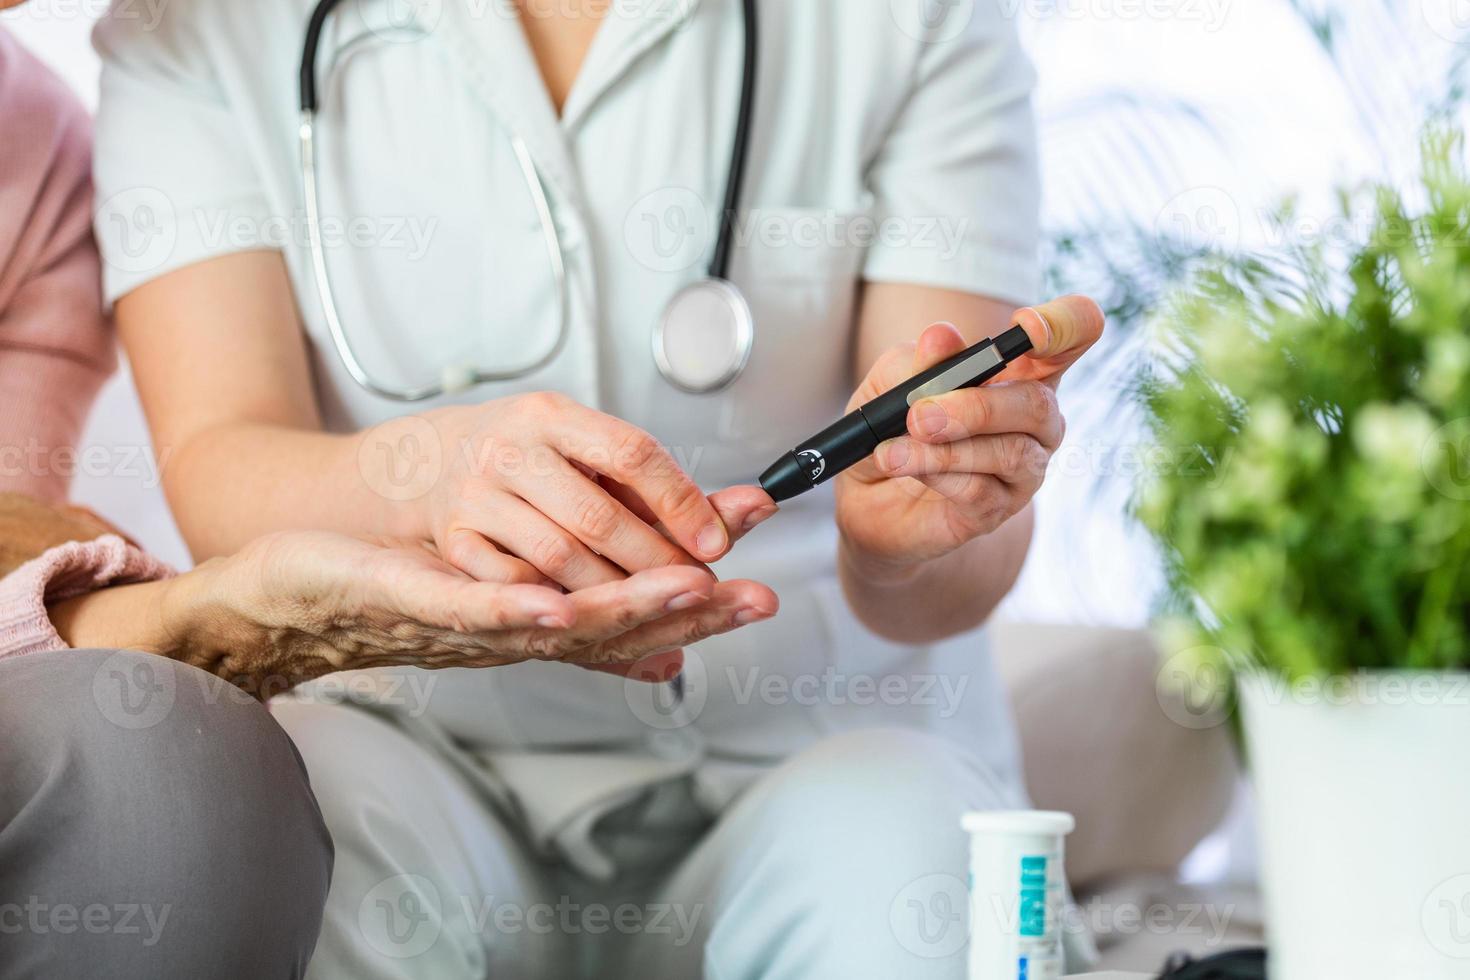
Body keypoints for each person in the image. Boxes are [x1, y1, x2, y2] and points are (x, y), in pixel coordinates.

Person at [91, 0, 1104, 976]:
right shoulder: (191, 21)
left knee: (911, 858)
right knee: (264, 817)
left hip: (825, 750)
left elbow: (959, 560)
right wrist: (421, 475)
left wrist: (912, 531)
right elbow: (217, 456)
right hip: (412, 748)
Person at [0, 15, 771, 979]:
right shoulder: (182, 40)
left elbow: (10, 583)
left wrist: (216, 619)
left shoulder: (30, 142)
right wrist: (407, 480)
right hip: (407, 752)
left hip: (783, 738)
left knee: (172, 764)